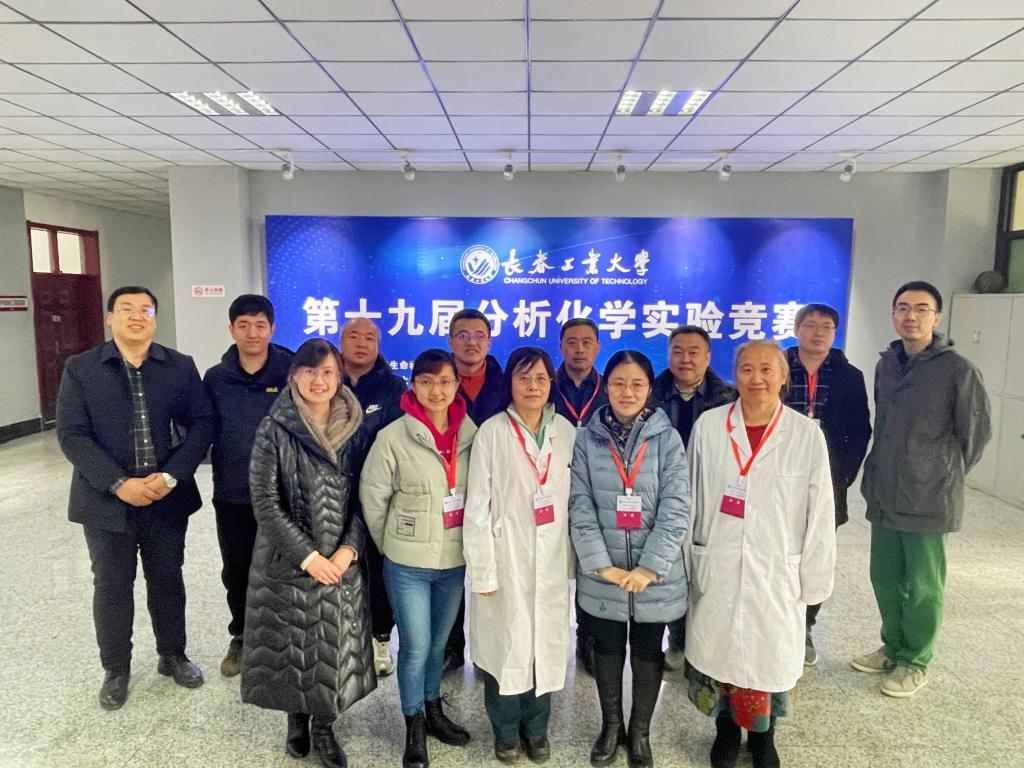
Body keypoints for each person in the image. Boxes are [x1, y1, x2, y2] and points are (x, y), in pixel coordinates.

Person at [56, 285, 213, 711]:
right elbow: (72, 434)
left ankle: (173, 655)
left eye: (146, 309)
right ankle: (116, 668)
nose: (136, 316)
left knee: (167, 579)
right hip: (105, 500)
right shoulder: (81, 368)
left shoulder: (178, 366)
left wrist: (172, 475)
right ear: (110, 317)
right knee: (111, 585)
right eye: (126, 309)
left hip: (166, 496)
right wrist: (118, 483)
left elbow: (202, 425)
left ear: (155, 319)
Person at [684, 340, 835, 768]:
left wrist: (815, 576)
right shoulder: (710, 427)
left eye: (767, 369)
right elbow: (690, 498)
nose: (756, 379)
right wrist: (687, 561)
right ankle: (726, 732)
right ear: (735, 375)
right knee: (721, 652)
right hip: (719, 560)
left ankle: (764, 737)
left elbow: (820, 510)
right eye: (746, 369)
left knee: (768, 656)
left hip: (777, 567)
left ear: (784, 376)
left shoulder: (805, 434)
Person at [853, 281, 991, 698]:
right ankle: (893, 647)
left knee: (923, 587)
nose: (910, 316)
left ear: (937, 316)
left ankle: (915, 661)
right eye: (902, 308)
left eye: (921, 308)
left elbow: (975, 436)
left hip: (929, 497)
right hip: (885, 491)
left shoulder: (958, 370)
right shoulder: (887, 365)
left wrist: (937, 473)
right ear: (893, 314)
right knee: (885, 578)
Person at [243, 339, 375, 768]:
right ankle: (295, 719)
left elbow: (367, 497)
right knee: (292, 644)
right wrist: (307, 556)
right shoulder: (273, 428)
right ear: (293, 375)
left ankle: (323, 726)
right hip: (288, 558)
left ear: (340, 377)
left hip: (341, 559)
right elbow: (265, 502)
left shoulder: (356, 427)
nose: (319, 381)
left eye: (328, 372)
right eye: (310, 371)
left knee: (330, 647)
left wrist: (349, 549)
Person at [570, 350, 690, 768]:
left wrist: (649, 567)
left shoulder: (668, 439)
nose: (627, 392)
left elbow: (677, 506)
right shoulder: (587, 438)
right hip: (604, 571)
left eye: (637, 384)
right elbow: (580, 503)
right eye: (619, 383)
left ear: (649, 388)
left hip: (654, 575)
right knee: (605, 650)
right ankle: (610, 727)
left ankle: (640, 732)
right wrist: (601, 564)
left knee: (647, 652)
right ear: (606, 386)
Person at [360, 349, 476, 768]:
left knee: (438, 646)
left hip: (453, 561)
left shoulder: (472, 435)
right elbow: (373, 499)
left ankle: (433, 709)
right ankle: (413, 726)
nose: (436, 391)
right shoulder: (393, 436)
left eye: (445, 381)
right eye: (426, 382)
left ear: (457, 385)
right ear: (413, 385)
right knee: (415, 647)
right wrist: (393, 546)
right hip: (408, 563)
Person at [464, 347, 576, 764]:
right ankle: (506, 732)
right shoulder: (492, 432)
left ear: (551, 383)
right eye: (523, 378)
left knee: (544, 649)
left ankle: (537, 729)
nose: (533, 386)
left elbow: (576, 502)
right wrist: (483, 570)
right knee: (506, 649)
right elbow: (477, 507)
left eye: (541, 378)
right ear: (509, 383)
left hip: (551, 561)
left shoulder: (566, 432)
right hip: (504, 556)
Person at [203, 294, 292, 677]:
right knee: (237, 570)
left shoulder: (291, 371)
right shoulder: (216, 378)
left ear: (272, 328)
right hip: (233, 494)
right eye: (244, 325)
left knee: (284, 569)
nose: (252, 333)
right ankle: (241, 637)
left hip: (283, 496)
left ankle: (283, 637)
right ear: (231, 330)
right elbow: (202, 430)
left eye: (260, 325)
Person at [783, 303, 871, 666]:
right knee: (780, 550)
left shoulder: (850, 376)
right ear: (796, 329)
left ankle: (805, 626)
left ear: (835, 333)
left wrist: (844, 476)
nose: (818, 332)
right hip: (780, 476)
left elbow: (860, 430)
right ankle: (780, 621)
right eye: (810, 325)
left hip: (828, 478)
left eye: (826, 327)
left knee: (817, 552)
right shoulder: (778, 367)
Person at [652, 325, 736, 671]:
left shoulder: (728, 398)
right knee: (671, 569)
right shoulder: (650, 395)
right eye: (678, 351)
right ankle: (676, 641)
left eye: (693, 352)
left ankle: (704, 644)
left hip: (710, 496)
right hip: (661, 495)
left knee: (707, 571)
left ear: (708, 356)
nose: (685, 359)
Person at [340, 316, 407, 677]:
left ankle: (381, 639)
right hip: (333, 492)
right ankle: (342, 639)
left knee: (378, 571)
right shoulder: (327, 380)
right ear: (342, 342)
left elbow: (394, 440)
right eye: (354, 336)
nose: (361, 343)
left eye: (370, 337)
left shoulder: (392, 387)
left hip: (378, 493)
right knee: (338, 568)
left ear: (379, 346)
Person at [444, 308, 504, 671]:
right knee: (451, 573)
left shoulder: (506, 381)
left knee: (491, 573)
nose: (471, 342)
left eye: (479, 335)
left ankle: (488, 655)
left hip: (496, 491)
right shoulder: (438, 380)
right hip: (447, 488)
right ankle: (452, 650)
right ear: (451, 340)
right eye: (463, 335)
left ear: (489, 342)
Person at [553, 317, 608, 679]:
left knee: (592, 566)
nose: (579, 349)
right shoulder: (544, 385)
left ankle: (587, 641)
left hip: (596, 489)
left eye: (587, 342)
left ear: (597, 347)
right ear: (561, 346)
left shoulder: (609, 388)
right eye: (571, 342)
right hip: (550, 490)